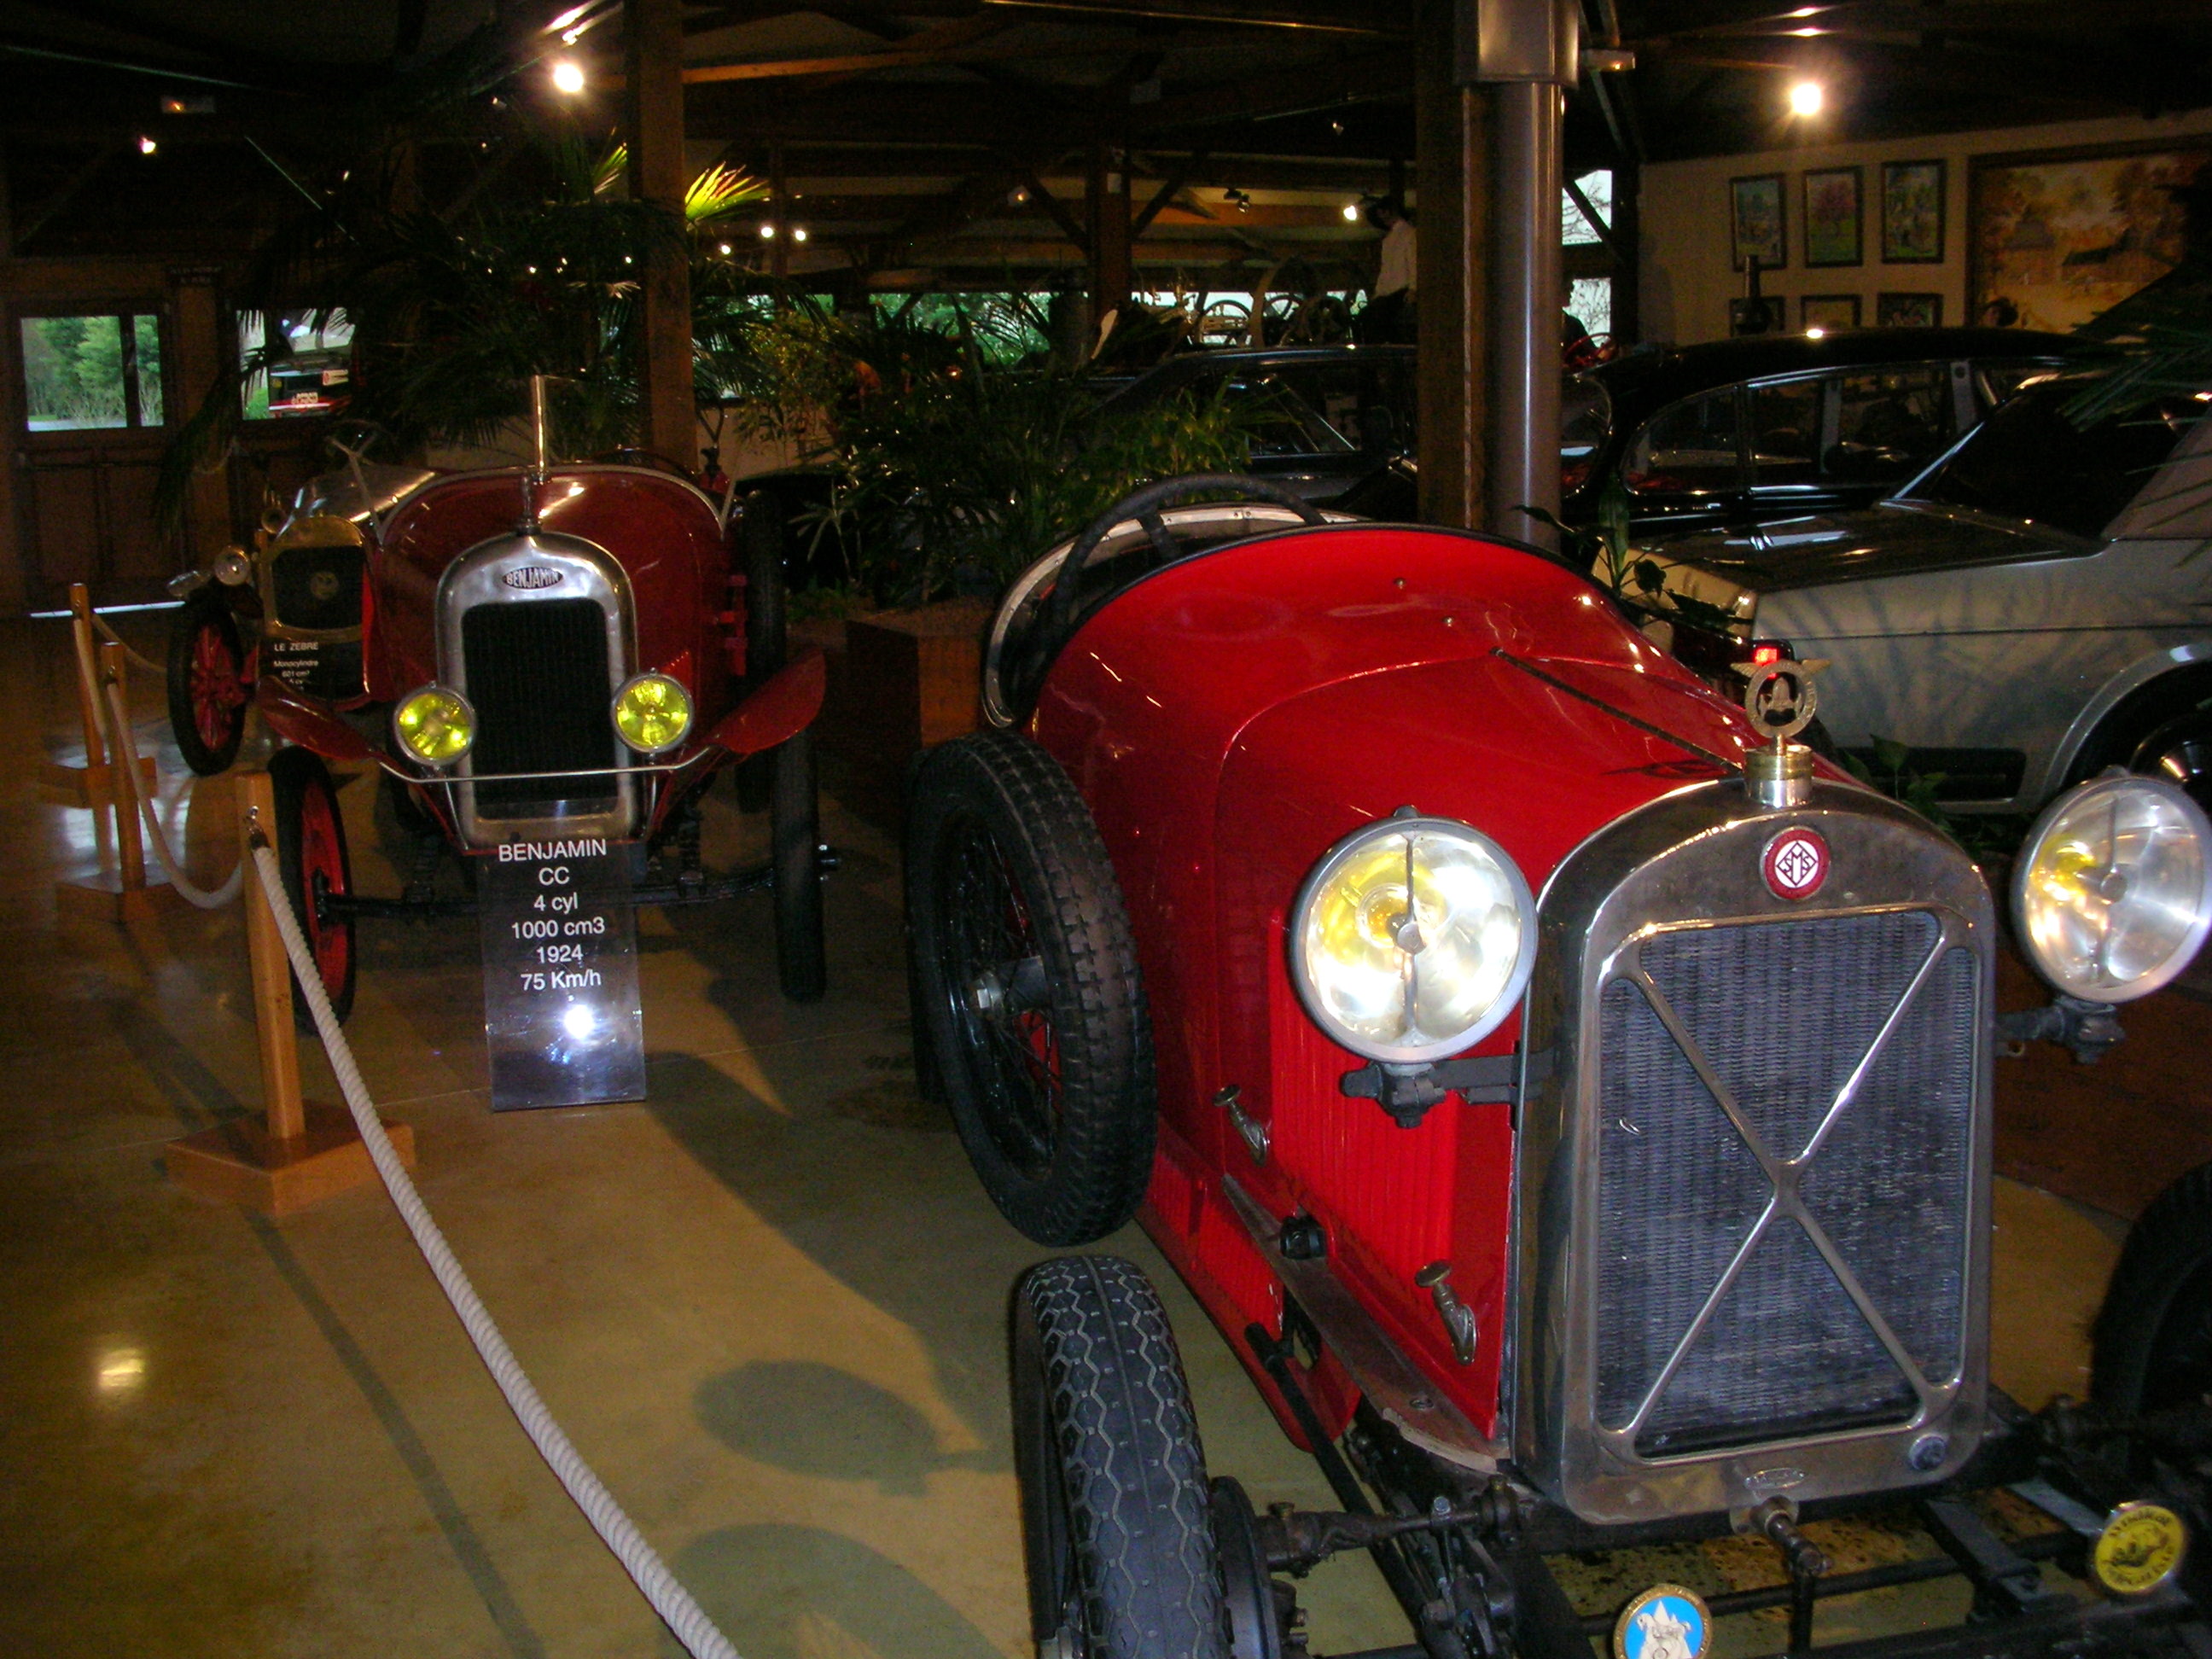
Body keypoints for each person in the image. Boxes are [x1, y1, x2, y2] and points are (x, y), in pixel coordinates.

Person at [1360, 198, 1417, 342]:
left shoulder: (1409, 234)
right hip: (1390, 293)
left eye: (1383, 212)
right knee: (1368, 316)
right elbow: (1386, 270)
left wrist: (1413, 288)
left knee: (1375, 319)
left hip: (1401, 292)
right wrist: (1379, 292)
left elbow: (1413, 261)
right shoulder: (1390, 239)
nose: (1381, 217)